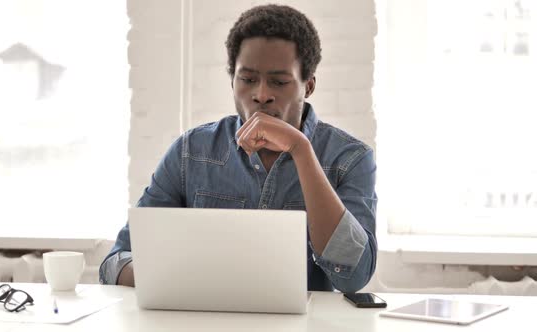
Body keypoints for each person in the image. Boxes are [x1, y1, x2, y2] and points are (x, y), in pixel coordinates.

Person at [100, 4, 377, 292]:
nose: (261, 95)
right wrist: (180, 278)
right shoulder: (190, 152)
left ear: (308, 86)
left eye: (279, 82)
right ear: (232, 80)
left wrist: (300, 150)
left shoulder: (350, 159)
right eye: (247, 79)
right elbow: (115, 263)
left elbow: (353, 277)